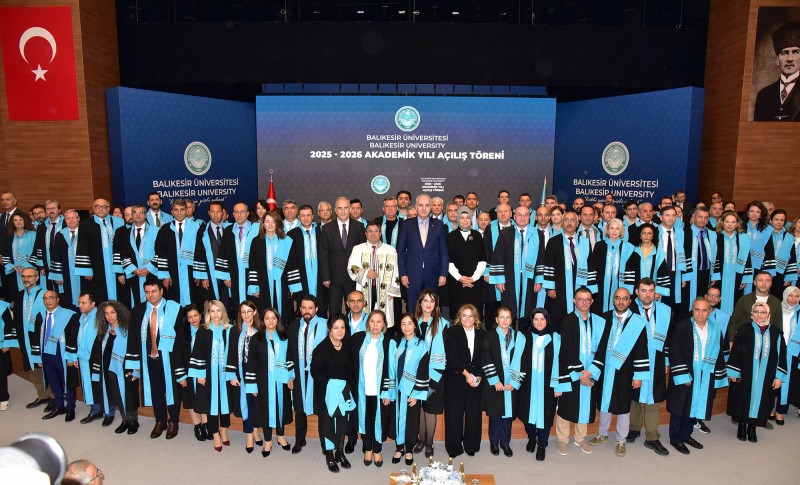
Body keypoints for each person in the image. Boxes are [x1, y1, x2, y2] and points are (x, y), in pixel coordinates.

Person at [588, 288, 649, 458]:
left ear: (630, 301)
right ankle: (602, 433)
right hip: (605, 367)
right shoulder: (604, 318)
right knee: (604, 401)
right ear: (613, 300)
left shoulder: (637, 322)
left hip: (626, 369)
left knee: (623, 405)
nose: (621, 302)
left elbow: (641, 350)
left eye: (625, 298)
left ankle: (621, 439)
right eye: (618, 298)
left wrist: (638, 375)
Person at [126, 278, 184, 440]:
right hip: (149, 359)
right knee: (155, 391)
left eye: (154, 291)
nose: (150, 295)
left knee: (172, 391)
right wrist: (135, 364)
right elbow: (133, 338)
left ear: (161, 291)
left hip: (169, 359)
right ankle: (160, 421)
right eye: (147, 292)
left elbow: (180, 339)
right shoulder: (138, 310)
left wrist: (180, 365)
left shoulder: (175, 309)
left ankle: (173, 422)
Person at [666, 297, 727, 453]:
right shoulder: (682, 327)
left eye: (704, 310)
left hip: (705, 374)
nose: (700, 313)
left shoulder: (715, 328)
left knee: (696, 406)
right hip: (686, 374)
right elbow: (675, 351)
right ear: (692, 310)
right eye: (697, 310)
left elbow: (719, 351)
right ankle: (675, 438)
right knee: (680, 407)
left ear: (709, 311)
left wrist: (717, 375)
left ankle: (686, 435)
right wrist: (683, 375)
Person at [727, 301, 787, 443]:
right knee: (743, 398)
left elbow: (781, 356)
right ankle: (742, 426)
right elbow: (735, 352)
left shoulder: (776, 333)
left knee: (761, 401)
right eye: (756, 312)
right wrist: (734, 372)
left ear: (768, 314)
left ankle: (752, 427)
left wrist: (779, 377)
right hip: (745, 374)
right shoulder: (744, 330)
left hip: (766, 375)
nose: (759, 315)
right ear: (752, 314)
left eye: (763, 312)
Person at [626, 278, 671, 456]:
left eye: (651, 290)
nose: (647, 294)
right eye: (643, 290)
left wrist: (667, 362)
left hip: (657, 360)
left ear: (655, 292)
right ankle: (634, 428)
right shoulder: (629, 310)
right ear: (637, 292)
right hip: (634, 360)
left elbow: (669, 339)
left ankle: (652, 437)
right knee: (634, 397)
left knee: (653, 398)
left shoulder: (665, 311)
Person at [243, 306, 293, 456]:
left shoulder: (284, 338)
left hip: (280, 381)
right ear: (263, 320)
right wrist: (252, 386)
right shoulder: (256, 339)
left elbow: (290, 358)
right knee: (265, 411)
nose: (270, 321)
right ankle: (268, 441)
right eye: (267, 318)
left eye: (273, 318)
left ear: (278, 320)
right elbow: (251, 363)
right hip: (263, 383)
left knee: (280, 409)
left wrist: (291, 377)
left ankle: (281, 436)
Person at [518, 307, 565, 461]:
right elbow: (517, 359)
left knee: (545, 415)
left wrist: (558, 386)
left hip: (548, 384)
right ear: (531, 321)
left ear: (547, 320)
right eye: (536, 319)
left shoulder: (555, 338)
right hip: (528, 384)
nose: (539, 322)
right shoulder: (524, 337)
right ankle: (532, 438)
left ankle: (542, 445)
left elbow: (560, 362)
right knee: (528, 414)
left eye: (542, 319)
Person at [311, 314, 355, 473]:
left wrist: (346, 387)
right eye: (336, 327)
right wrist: (332, 385)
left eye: (342, 327)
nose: (339, 330)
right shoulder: (321, 349)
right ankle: (329, 455)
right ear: (329, 329)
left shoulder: (347, 346)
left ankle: (340, 453)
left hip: (343, 392)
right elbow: (315, 372)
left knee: (342, 423)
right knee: (327, 424)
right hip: (326, 394)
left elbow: (351, 370)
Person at [188, 300, 234, 451]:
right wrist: (200, 374)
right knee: (212, 406)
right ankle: (215, 435)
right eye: (212, 311)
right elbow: (198, 353)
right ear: (208, 313)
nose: (215, 314)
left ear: (223, 312)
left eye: (218, 310)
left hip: (225, 374)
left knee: (225, 405)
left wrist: (232, 374)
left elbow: (233, 353)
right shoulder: (203, 330)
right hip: (209, 375)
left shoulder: (229, 330)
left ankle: (224, 431)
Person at [350, 310, 392, 467]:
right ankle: (367, 448)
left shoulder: (389, 342)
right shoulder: (358, 339)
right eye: (372, 321)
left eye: (379, 321)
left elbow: (392, 370)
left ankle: (377, 450)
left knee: (378, 421)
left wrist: (388, 392)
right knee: (365, 420)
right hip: (362, 390)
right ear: (368, 323)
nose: (375, 325)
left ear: (384, 324)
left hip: (380, 391)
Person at [90, 300, 140, 434]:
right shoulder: (104, 331)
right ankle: (125, 420)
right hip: (110, 368)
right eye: (106, 313)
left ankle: (133, 420)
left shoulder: (127, 329)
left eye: (112, 312)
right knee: (117, 394)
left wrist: (137, 370)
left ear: (119, 312)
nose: (110, 316)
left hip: (127, 367)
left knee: (129, 394)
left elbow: (136, 349)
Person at [286, 295, 328, 453]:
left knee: (322, 410)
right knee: (299, 409)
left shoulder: (325, 325)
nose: (307, 311)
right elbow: (290, 352)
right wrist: (290, 374)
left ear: (316, 309)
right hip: (299, 373)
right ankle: (299, 440)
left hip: (319, 375)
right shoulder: (294, 326)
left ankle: (325, 443)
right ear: (300, 309)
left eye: (310, 308)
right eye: (304, 308)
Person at [443, 303, 485, 459]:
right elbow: (452, 357)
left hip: (476, 381)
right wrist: (467, 374)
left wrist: (479, 376)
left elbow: (485, 358)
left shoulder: (482, 334)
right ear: (459, 317)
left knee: (474, 415)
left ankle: (471, 445)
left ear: (475, 318)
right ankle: (454, 447)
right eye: (464, 315)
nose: (467, 319)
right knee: (454, 415)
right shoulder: (451, 332)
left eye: (470, 316)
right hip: (456, 379)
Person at [483, 306, 525, 457]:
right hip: (496, 382)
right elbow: (486, 359)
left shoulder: (519, 337)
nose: (505, 320)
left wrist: (514, 382)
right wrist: (495, 381)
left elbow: (522, 360)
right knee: (495, 415)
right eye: (502, 317)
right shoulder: (489, 336)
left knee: (508, 416)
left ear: (511, 320)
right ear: (496, 319)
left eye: (508, 317)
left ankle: (505, 443)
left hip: (511, 383)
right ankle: (494, 443)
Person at [489, 205, 542, 324]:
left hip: (530, 278)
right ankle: (509, 331)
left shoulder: (537, 234)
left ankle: (525, 332)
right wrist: (499, 280)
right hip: (510, 277)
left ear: (530, 217)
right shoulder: (505, 233)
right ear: (514, 216)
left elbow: (541, 258)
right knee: (509, 307)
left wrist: (539, 280)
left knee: (528, 308)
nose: (522, 218)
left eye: (525, 215)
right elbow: (498, 256)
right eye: (519, 215)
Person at [31, 291, 80, 421]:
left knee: (67, 380)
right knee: (53, 381)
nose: (48, 301)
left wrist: (71, 356)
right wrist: (38, 357)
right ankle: (59, 406)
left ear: (57, 299)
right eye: (45, 298)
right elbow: (36, 336)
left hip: (62, 353)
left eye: (51, 298)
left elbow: (73, 337)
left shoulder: (69, 315)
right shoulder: (40, 315)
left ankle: (70, 407)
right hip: (46, 353)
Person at [388, 312, 429, 466]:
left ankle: (409, 448)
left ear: (415, 325)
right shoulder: (395, 343)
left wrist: (416, 394)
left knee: (412, 419)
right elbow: (390, 367)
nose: (406, 327)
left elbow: (423, 371)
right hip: (397, 389)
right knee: (397, 418)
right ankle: (399, 447)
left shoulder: (422, 346)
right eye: (403, 324)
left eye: (410, 323)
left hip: (412, 390)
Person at [247, 211, 302, 322]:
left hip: (283, 281)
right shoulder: (256, 242)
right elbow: (253, 265)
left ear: (278, 223)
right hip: (264, 281)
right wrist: (254, 286)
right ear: (263, 224)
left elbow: (292, 264)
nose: (270, 224)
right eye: (267, 221)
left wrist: (293, 286)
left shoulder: (286, 241)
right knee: (264, 310)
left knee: (284, 311)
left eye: (273, 221)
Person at [397, 194, 449, 311]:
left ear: (431, 207)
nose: (424, 208)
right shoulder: (406, 225)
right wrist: (403, 274)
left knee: (431, 308)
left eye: (427, 205)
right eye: (421, 205)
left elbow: (444, 252)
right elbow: (400, 251)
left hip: (433, 275)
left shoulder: (439, 225)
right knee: (412, 307)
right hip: (412, 275)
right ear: (416, 207)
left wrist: (443, 274)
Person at [543, 211, 596, 324]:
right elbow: (548, 265)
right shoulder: (553, 242)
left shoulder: (585, 242)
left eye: (572, 220)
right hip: (559, 286)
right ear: (562, 223)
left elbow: (591, 266)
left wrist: (590, 289)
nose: (569, 223)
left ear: (577, 223)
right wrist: (550, 287)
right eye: (566, 220)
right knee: (558, 315)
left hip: (580, 285)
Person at [414, 289, 449, 457]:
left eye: (432, 301)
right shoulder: (413, 322)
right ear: (420, 303)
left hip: (434, 373)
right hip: (415, 374)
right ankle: (421, 440)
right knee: (419, 409)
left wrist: (431, 374)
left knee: (430, 409)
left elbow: (446, 351)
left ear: (436, 304)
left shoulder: (443, 324)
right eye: (425, 300)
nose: (428, 304)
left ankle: (429, 443)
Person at [12, 268, 53, 409]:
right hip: (25, 338)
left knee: (46, 367)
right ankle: (42, 395)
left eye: (29, 276)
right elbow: (16, 319)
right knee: (32, 368)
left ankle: (54, 397)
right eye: (23, 276)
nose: (26, 279)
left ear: (37, 277)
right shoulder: (19, 295)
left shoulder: (46, 295)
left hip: (41, 338)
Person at [348, 221, 401, 326]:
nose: (373, 234)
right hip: (365, 287)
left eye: (376, 231)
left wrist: (393, 290)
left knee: (384, 317)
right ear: (366, 233)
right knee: (366, 317)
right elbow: (351, 267)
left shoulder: (390, 250)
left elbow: (396, 270)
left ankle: (384, 334)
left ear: (380, 233)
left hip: (384, 289)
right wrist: (366, 273)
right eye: (370, 231)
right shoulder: (358, 249)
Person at [153, 199, 205, 307]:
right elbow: (160, 252)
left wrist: (199, 273)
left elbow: (201, 251)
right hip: (172, 272)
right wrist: (165, 274)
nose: (179, 212)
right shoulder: (165, 229)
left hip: (191, 271)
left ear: (187, 211)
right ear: (172, 212)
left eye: (182, 209)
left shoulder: (197, 227)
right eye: (176, 210)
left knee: (193, 302)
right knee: (174, 302)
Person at [320, 197, 367, 314]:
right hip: (334, 278)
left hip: (353, 276)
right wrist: (325, 277)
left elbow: (364, 252)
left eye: (346, 208)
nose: (343, 211)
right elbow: (323, 254)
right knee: (334, 309)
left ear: (350, 209)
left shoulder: (359, 227)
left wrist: (362, 274)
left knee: (354, 309)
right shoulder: (327, 228)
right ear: (335, 210)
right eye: (340, 208)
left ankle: (352, 325)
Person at [75, 199, 125, 302]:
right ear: (93, 208)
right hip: (96, 266)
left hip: (116, 264)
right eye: (97, 206)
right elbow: (82, 246)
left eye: (103, 206)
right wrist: (86, 270)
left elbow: (124, 245)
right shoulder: (85, 224)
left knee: (120, 293)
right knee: (99, 294)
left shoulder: (119, 222)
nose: (100, 209)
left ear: (109, 208)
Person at [753, 21, 800, 121]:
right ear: (777, 60)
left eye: (795, 52)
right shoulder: (763, 95)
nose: (790, 59)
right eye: (784, 53)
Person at [217, 202, 258, 311]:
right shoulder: (228, 230)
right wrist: (226, 276)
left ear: (247, 214)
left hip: (251, 272)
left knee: (253, 302)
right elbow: (223, 253)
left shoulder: (255, 230)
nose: (239, 215)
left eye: (242, 212)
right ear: (233, 214)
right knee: (236, 302)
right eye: (237, 212)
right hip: (234, 273)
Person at [176, 303, 209, 441]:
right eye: (190, 317)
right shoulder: (182, 332)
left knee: (203, 398)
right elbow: (177, 355)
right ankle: (197, 426)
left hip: (203, 371)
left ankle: (205, 424)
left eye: (195, 315)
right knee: (190, 399)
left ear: (200, 315)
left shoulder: (207, 329)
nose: (193, 319)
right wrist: (181, 376)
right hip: (188, 372)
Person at [446, 207, 486, 320]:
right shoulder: (451, 236)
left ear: (471, 220)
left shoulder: (477, 236)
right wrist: (460, 278)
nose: (465, 220)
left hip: (475, 283)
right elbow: (448, 260)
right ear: (458, 219)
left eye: (467, 218)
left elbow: (482, 259)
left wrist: (473, 278)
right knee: (457, 315)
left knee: (475, 315)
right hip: (457, 283)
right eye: (462, 218)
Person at [114, 204, 157, 307]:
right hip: (134, 273)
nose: (138, 215)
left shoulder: (156, 231)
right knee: (136, 303)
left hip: (152, 272)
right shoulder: (124, 233)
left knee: (153, 300)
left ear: (145, 215)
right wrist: (133, 269)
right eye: (135, 213)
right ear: (132, 215)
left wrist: (149, 268)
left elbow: (160, 252)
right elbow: (122, 254)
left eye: (141, 212)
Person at [590, 218, 634, 314]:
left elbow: (631, 270)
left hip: (620, 286)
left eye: (617, 228)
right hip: (600, 287)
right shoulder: (599, 246)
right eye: (612, 228)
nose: (614, 231)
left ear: (621, 231)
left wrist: (628, 290)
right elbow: (593, 267)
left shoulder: (628, 247)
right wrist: (592, 287)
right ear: (607, 230)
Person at [288, 204, 325, 316]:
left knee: (322, 306)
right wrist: (294, 284)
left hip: (319, 278)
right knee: (303, 309)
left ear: (313, 216)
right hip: (301, 278)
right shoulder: (292, 235)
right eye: (303, 215)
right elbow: (290, 261)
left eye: (308, 215)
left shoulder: (321, 232)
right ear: (298, 217)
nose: (306, 218)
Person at [713, 211, 753, 315]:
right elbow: (712, 258)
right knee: (717, 299)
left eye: (733, 222)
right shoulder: (715, 237)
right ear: (722, 222)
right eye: (727, 221)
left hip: (737, 275)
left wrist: (745, 278)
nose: (729, 224)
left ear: (737, 224)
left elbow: (747, 259)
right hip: (719, 275)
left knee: (736, 300)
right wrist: (713, 276)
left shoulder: (743, 239)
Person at [481, 203, 514, 328]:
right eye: (500, 212)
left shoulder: (516, 228)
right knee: (492, 307)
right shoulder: (490, 228)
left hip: (511, 274)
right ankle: (491, 333)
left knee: (509, 305)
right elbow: (484, 251)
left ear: (511, 214)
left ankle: (509, 333)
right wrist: (486, 272)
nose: (503, 214)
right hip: (492, 273)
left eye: (506, 211)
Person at [195, 201, 230, 310]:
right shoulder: (202, 231)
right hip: (211, 273)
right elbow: (199, 254)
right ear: (209, 213)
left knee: (228, 303)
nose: (216, 215)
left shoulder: (230, 229)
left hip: (228, 272)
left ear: (223, 212)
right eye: (213, 212)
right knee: (213, 303)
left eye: (218, 212)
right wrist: (204, 277)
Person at [729, 271, 783, 342]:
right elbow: (734, 322)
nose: (764, 284)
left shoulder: (776, 302)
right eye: (760, 280)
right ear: (755, 282)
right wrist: (731, 341)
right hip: (744, 342)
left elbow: (778, 326)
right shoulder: (744, 300)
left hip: (767, 343)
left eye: (767, 281)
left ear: (771, 283)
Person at [621, 222, 670, 298]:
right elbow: (629, 272)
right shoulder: (633, 251)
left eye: (649, 233)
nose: (646, 236)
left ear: (653, 236)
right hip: (636, 291)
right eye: (643, 233)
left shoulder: (659, 252)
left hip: (653, 291)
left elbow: (662, 272)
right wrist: (630, 291)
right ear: (640, 235)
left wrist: (659, 291)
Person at [773, 286, 800, 424]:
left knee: (786, 382)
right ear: (785, 295)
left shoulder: (799, 312)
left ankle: (780, 410)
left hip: (793, 351)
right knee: (771, 377)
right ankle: (769, 408)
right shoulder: (777, 309)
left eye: (797, 296)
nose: (793, 299)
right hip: (775, 348)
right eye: (790, 295)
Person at [75, 293, 102, 424]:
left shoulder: (99, 317)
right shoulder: (82, 317)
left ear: (92, 304)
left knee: (98, 384)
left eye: (83, 303)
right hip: (84, 357)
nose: (80, 305)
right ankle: (95, 410)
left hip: (96, 358)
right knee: (89, 384)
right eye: (79, 302)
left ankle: (104, 412)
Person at [48, 209, 84, 310]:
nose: (71, 220)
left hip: (82, 271)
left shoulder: (85, 232)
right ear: (65, 220)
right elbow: (56, 256)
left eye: (73, 218)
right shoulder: (60, 235)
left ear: (78, 219)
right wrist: (57, 275)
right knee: (68, 297)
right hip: (66, 271)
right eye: (68, 218)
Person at [3, 212, 39, 296]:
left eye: (20, 220)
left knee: (31, 293)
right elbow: (5, 254)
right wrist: (12, 267)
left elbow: (37, 252)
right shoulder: (8, 236)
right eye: (15, 220)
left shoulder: (33, 234)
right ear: (12, 222)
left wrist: (25, 266)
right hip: (13, 271)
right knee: (16, 296)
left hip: (30, 270)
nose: (18, 222)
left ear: (25, 221)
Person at [763, 210, 797, 297]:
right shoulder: (764, 234)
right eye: (776, 219)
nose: (779, 222)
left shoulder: (789, 237)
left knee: (777, 297)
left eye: (782, 220)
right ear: (771, 220)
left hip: (781, 273)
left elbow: (792, 258)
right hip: (764, 270)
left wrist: (788, 277)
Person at [33, 200, 64, 291]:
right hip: (48, 263)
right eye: (48, 209)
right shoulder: (42, 227)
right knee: (52, 289)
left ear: (59, 210)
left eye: (53, 208)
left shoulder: (66, 224)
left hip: (64, 262)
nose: (51, 211)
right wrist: (41, 266)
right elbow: (39, 247)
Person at [0, 296, 15, 410]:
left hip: (1, 344)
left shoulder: (2, 306)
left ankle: (4, 398)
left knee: (1, 373)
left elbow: (9, 324)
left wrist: (7, 343)